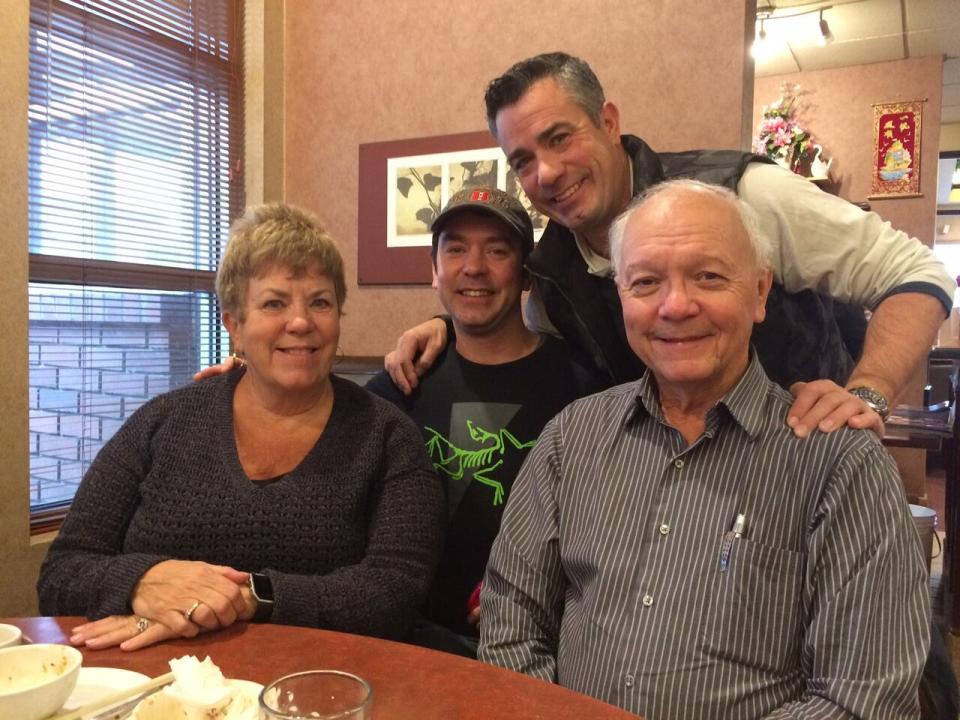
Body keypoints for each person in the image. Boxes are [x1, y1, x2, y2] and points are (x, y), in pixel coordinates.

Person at [478, 180, 930, 719]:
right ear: (622, 296)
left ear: (761, 292)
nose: (675, 305)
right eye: (645, 282)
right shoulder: (570, 439)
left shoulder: (838, 463)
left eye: (708, 277)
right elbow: (512, 621)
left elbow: (864, 698)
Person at [386, 52, 954, 440]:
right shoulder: (551, 271)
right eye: (523, 160)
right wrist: (445, 326)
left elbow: (917, 273)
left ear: (608, 122)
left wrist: (871, 392)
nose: (549, 172)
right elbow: (509, 322)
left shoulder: (745, 193)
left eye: (559, 138)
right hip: (669, 507)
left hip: (801, 471)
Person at [37, 203, 445, 650]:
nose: (301, 322)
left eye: (320, 302)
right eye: (274, 303)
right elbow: (62, 572)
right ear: (234, 323)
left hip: (320, 687)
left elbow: (395, 593)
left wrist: (248, 596)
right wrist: (144, 580)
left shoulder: (387, 437)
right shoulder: (163, 422)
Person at [366, 187, 595, 657]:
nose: (474, 267)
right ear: (435, 271)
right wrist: (240, 383)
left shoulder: (582, 388)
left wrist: (537, 596)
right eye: (455, 249)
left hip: (531, 650)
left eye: (497, 250)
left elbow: (612, 525)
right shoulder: (400, 383)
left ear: (526, 274)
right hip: (405, 644)